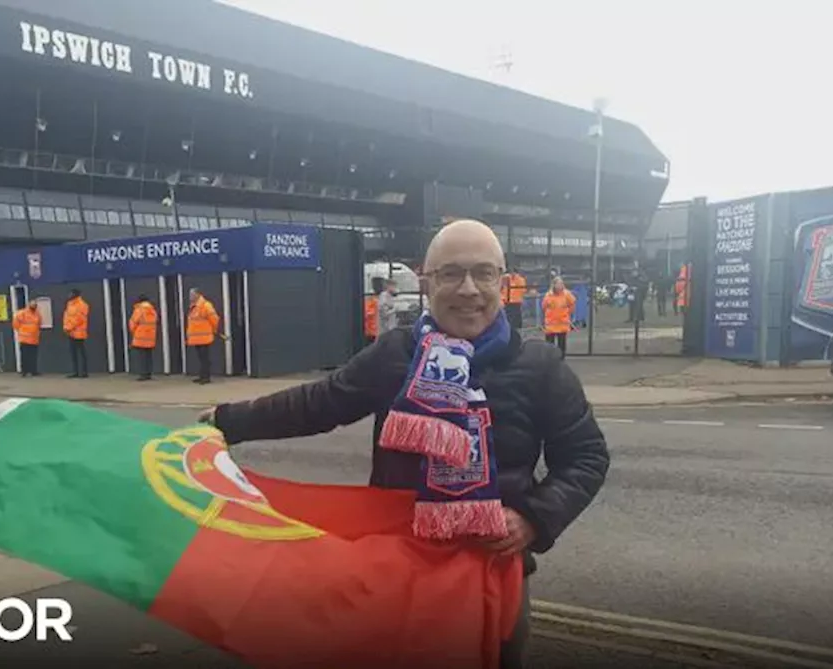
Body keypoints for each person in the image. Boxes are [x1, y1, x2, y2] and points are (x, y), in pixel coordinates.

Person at [199, 220, 608, 668]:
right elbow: (319, 404)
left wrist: (533, 517)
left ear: (504, 282)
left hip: (495, 575)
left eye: (483, 273)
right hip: (400, 567)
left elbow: (586, 456)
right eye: (451, 273)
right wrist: (227, 422)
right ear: (427, 281)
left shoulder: (541, 366)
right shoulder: (396, 353)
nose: (468, 289)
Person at [186, 287, 220, 384]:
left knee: (205, 359)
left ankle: (206, 377)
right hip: (197, 338)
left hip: (204, 338)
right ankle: (202, 376)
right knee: (201, 359)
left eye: (192, 294)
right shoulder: (194, 306)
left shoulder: (205, 305)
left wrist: (214, 330)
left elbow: (214, 318)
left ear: (198, 294)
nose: (190, 297)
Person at [541, 277, 576, 356]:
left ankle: (561, 358)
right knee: (549, 344)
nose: (560, 285)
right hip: (551, 324)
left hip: (562, 323)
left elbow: (572, 304)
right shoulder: (548, 295)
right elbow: (543, 307)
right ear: (554, 285)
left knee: (562, 344)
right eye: (558, 284)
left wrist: (567, 314)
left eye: (561, 283)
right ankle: (550, 358)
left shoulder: (567, 294)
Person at [128, 294, 158, 381]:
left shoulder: (139, 310)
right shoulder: (152, 311)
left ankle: (143, 375)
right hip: (150, 338)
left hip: (140, 337)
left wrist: (133, 332)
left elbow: (133, 322)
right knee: (148, 357)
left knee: (142, 358)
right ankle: (148, 374)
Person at [11, 297, 42, 377]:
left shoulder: (37, 314)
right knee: (25, 356)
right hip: (25, 338)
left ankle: (33, 371)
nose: (34, 306)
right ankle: (24, 371)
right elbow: (15, 324)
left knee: (33, 356)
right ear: (29, 304)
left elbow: (39, 324)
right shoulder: (22, 313)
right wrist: (21, 331)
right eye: (32, 304)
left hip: (34, 338)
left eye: (35, 304)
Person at [63, 289, 90, 378]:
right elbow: (66, 316)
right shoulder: (69, 304)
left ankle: (84, 372)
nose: (69, 295)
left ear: (75, 294)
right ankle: (75, 372)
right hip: (71, 333)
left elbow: (79, 319)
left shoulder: (82, 305)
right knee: (73, 353)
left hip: (79, 333)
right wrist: (66, 327)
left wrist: (69, 327)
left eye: (71, 293)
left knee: (81, 353)